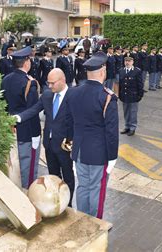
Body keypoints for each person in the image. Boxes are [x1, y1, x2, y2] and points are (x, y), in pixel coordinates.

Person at [66, 52, 119, 218]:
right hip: (98, 153)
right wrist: (112, 157)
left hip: (79, 150)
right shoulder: (107, 97)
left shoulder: (73, 92)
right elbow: (111, 132)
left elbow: (69, 121)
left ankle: (82, 219)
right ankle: (95, 223)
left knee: (83, 186)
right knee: (96, 187)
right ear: (103, 72)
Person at [15, 68, 75, 206]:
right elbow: (34, 110)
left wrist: (73, 141)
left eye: (52, 83)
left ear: (62, 81)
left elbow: (79, 120)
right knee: (54, 176)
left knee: (68, 177)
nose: (49, 86)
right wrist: (18, 117)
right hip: (49, 144)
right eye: (48, 83)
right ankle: (57, 202)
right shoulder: (47, 96)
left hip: (65, 146)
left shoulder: (73, 96)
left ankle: (68, 204)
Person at [1, 46, 41, 189]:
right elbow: (33, 111)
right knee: (28, 170)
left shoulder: (6, 79)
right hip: (27, 132)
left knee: (13, 165)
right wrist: (36, 135)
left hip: (10, 130)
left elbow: (3, 105)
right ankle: (27, 199)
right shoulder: (29, 82)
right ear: (26, 62)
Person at [119, 56, 144, 136]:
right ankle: (127, 126)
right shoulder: (121, 70)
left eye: (129, 61)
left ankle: (132, 128)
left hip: (133, 95)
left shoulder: (137, 71)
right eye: (126, 61)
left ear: (132, 62)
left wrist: (140, 95)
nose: (127, 62)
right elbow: (121, 84)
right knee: (126, 112)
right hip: (124, 95)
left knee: (133, 112)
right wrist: (120, 94)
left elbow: (140, 84)